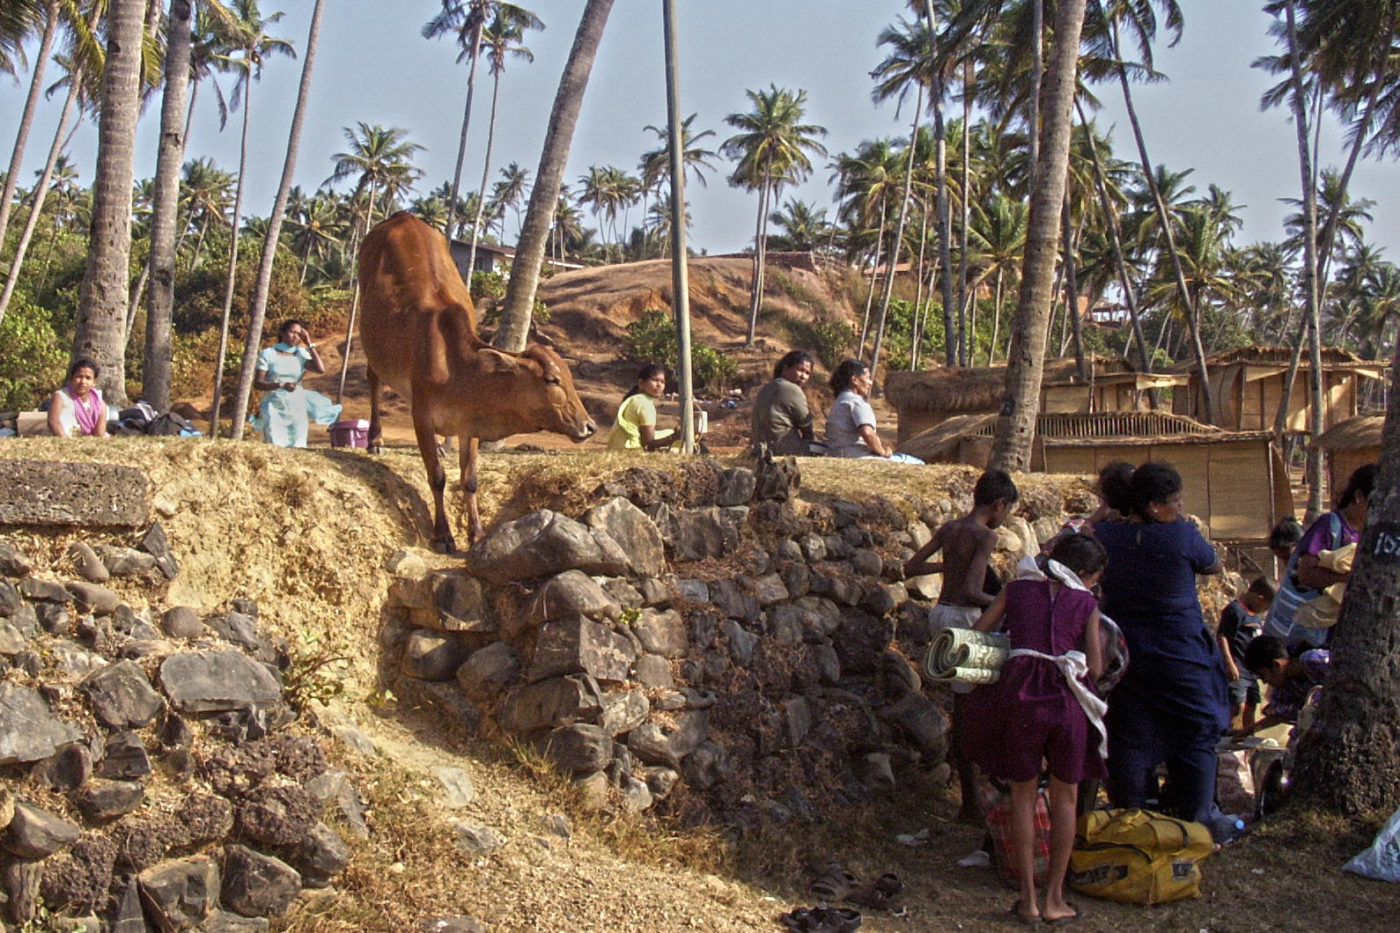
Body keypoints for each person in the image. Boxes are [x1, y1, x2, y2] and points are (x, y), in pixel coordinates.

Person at [966, 534, 1108, 925]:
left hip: (1020, 694)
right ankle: (1054, 899)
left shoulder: (1015, 590)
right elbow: (1095, 669)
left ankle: (1027, 900)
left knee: (1022, 796)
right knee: (1066, 797)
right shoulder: (1086, 602)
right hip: (1065, 698)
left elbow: (979, 631)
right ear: (1084, 574)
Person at [1094, 462, 1227, 824]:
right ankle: (1198, 819)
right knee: (1196, 733)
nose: (1180, 507)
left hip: (1129, 657)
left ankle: (1130, 820)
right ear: (1154, 506)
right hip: (1181, 656)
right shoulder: (1181, 537)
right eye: (1175, 501)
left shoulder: (1107, 537)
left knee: (1132, 738)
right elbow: (1213, 564)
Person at [905, 468, 1019, 823]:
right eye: (1007, 511)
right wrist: (1004, 599)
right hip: (967, 621)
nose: (1005, 518)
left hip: (940, 614)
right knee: (973, 710)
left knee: (963, 706)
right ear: (1000, 504)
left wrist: (950, 564)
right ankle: (972, 802)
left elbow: (912, 566)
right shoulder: (984, 536)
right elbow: (972, 591)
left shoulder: (951, 528)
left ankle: (971, 796)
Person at [1265, 463, 1375, 649]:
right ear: (1358, 497)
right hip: (1300, 627)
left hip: (1333, 632)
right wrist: (1347, 578)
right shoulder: (1330, 526)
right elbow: (1306, 574)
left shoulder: (1370, 534)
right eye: (1374, 502)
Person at [251, 319, 340, 448]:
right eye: (292, 332)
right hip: (274, 405)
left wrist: (309, 344)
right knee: (276, 441)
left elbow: (320, 369)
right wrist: (281, 385)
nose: (295, 336)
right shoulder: (268, 354)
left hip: (296, 405)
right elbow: (258, 383)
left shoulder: (300, 354)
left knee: (298, 442)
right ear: (282, 333)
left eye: (299, 334)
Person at [823, 358, 922, 463]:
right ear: (855, 380)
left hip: (837, 453)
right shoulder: (856, 402)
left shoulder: (840, 401)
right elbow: (867, 432)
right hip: (858, 456)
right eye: (868, 378)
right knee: (918, 463)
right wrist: (883, 453)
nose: (870, 383)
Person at [1236, 635, 1329, 736]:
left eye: (1263, 675)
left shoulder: (1315, 661)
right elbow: (1280, 715)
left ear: (1276, 665)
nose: (1264, 682)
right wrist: (1247, 731)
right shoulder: (1284, 687)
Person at [1217, 576, 1276, 731]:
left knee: (1251, 706)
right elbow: (1222, 636)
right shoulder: (1235, 610)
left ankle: (1247, 740)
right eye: (1266, 606)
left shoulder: (1255, 616)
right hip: (1238, 668)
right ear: (1259, 598)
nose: (1265, 611)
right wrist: (1230, 664)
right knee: (1237, 706)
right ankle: (1226, 737)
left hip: (1252, 671)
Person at [751, 350, 820, 456]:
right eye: (800, 370)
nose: (803, 377)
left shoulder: (767, 387)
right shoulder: (792, 389)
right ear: (785, 369)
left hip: (760, 446)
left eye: (807, 373)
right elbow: (806, 428)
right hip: (781, 448)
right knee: (822, 449)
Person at [607, 363, 678, 452]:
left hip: (615, 448)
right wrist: (674, 437)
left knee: (669, 431)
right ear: (641, 383)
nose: (659, 385)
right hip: (630, 449)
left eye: (662, 382)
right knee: (675, 440)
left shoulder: (634, 399)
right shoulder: (645, 404)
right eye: (655, 380)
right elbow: (649, 442)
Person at [47, 358, 108, 438]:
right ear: (71, 378)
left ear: (94, 382)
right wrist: (66, 443)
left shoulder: (99, 403)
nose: (83, 381)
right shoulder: (60, 396)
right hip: (63, 440)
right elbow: (53, 422)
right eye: (79, 377)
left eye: (88, 378)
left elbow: (99, 434)